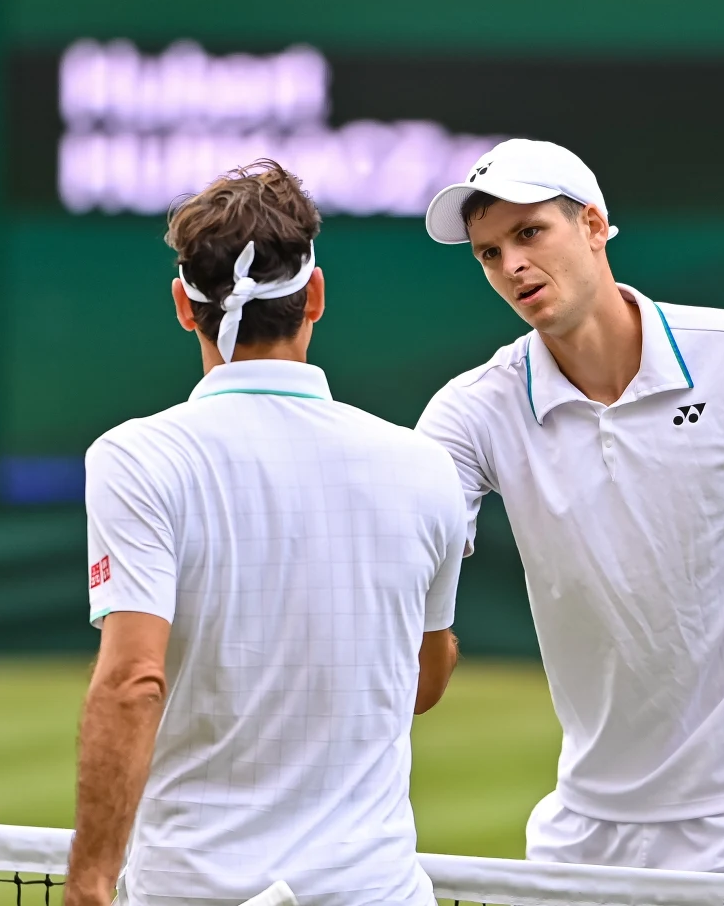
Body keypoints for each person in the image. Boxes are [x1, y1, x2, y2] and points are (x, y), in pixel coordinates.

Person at [416, 139, 724, 885]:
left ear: (593, 225)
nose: (511, 266)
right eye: (489, 253)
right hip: (584, 839)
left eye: (530, 234)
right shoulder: (469, 413)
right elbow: (400, 572)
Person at [64, 160, 466, 906]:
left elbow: (132, 681)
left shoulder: (136, 458)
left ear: (184, 307)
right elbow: (424, 678)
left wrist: (88, 889)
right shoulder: (425, 468)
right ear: (315, 295)